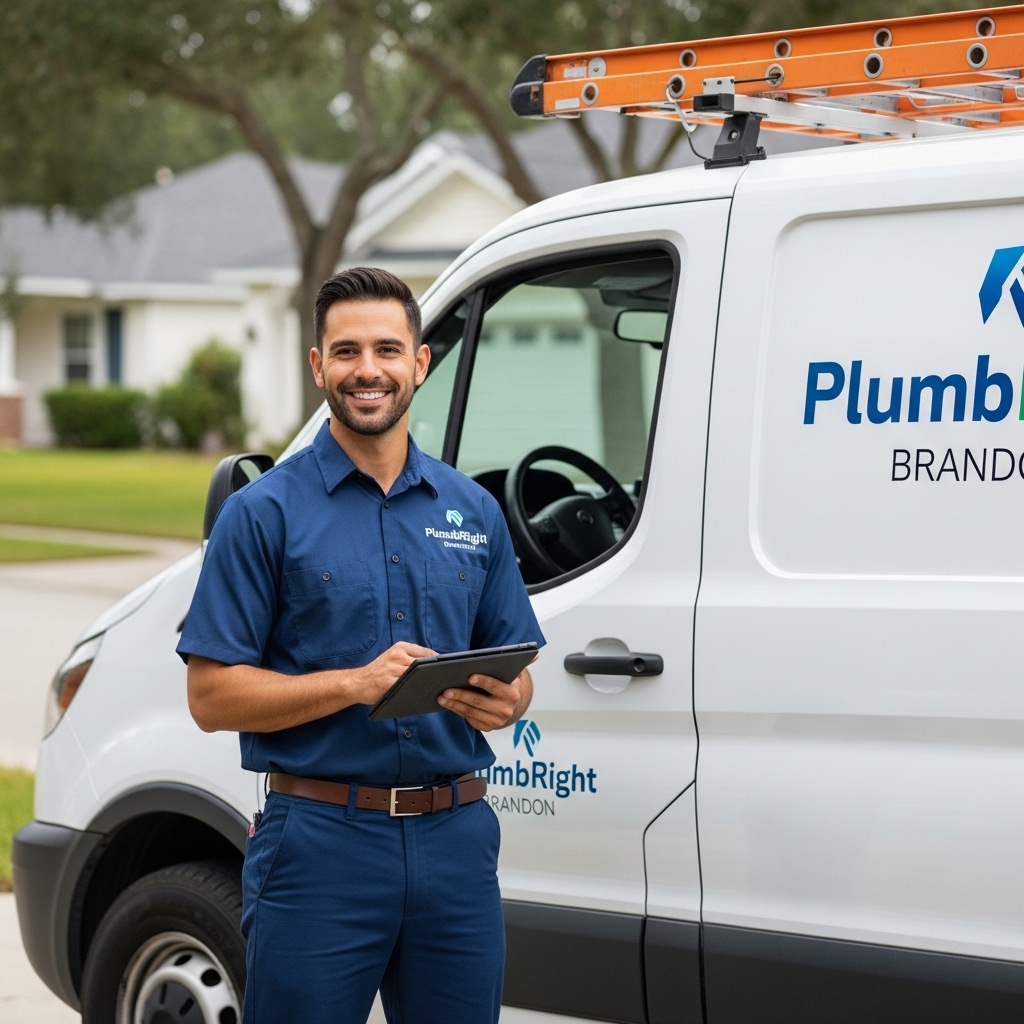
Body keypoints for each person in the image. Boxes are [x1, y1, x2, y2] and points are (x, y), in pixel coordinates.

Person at [177, 267, 544, 1024]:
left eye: (387, 349)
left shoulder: (473, 509)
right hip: (320, 845)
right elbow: (210, 697)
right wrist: (354, 684)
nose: (367, 370)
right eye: (346, 352)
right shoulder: (262, 514)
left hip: (457, 840)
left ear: (421, 363)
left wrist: (507, 700)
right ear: (319, 367)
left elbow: (517, 670)